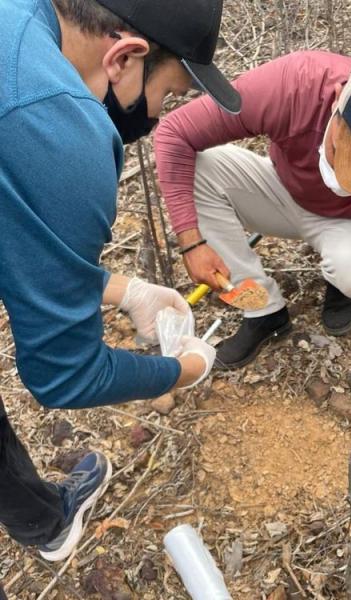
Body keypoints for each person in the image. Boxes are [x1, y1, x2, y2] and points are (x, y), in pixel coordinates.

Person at [0, 0, 239, 562]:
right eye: (170, 93)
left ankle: (47, 523)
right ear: (125, 57)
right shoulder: (61, 127)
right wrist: (183, 369)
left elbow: (14, 233)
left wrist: (123, 290)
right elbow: (64, 375)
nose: (159, 112)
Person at [154, 49, 351, 460]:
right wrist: (190, 241)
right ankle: (261, 310)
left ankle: (341, 287)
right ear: (336, 106)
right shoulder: (295, 85)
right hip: (279, 188)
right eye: (348, 159)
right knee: (201, 172)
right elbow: (174, 133)